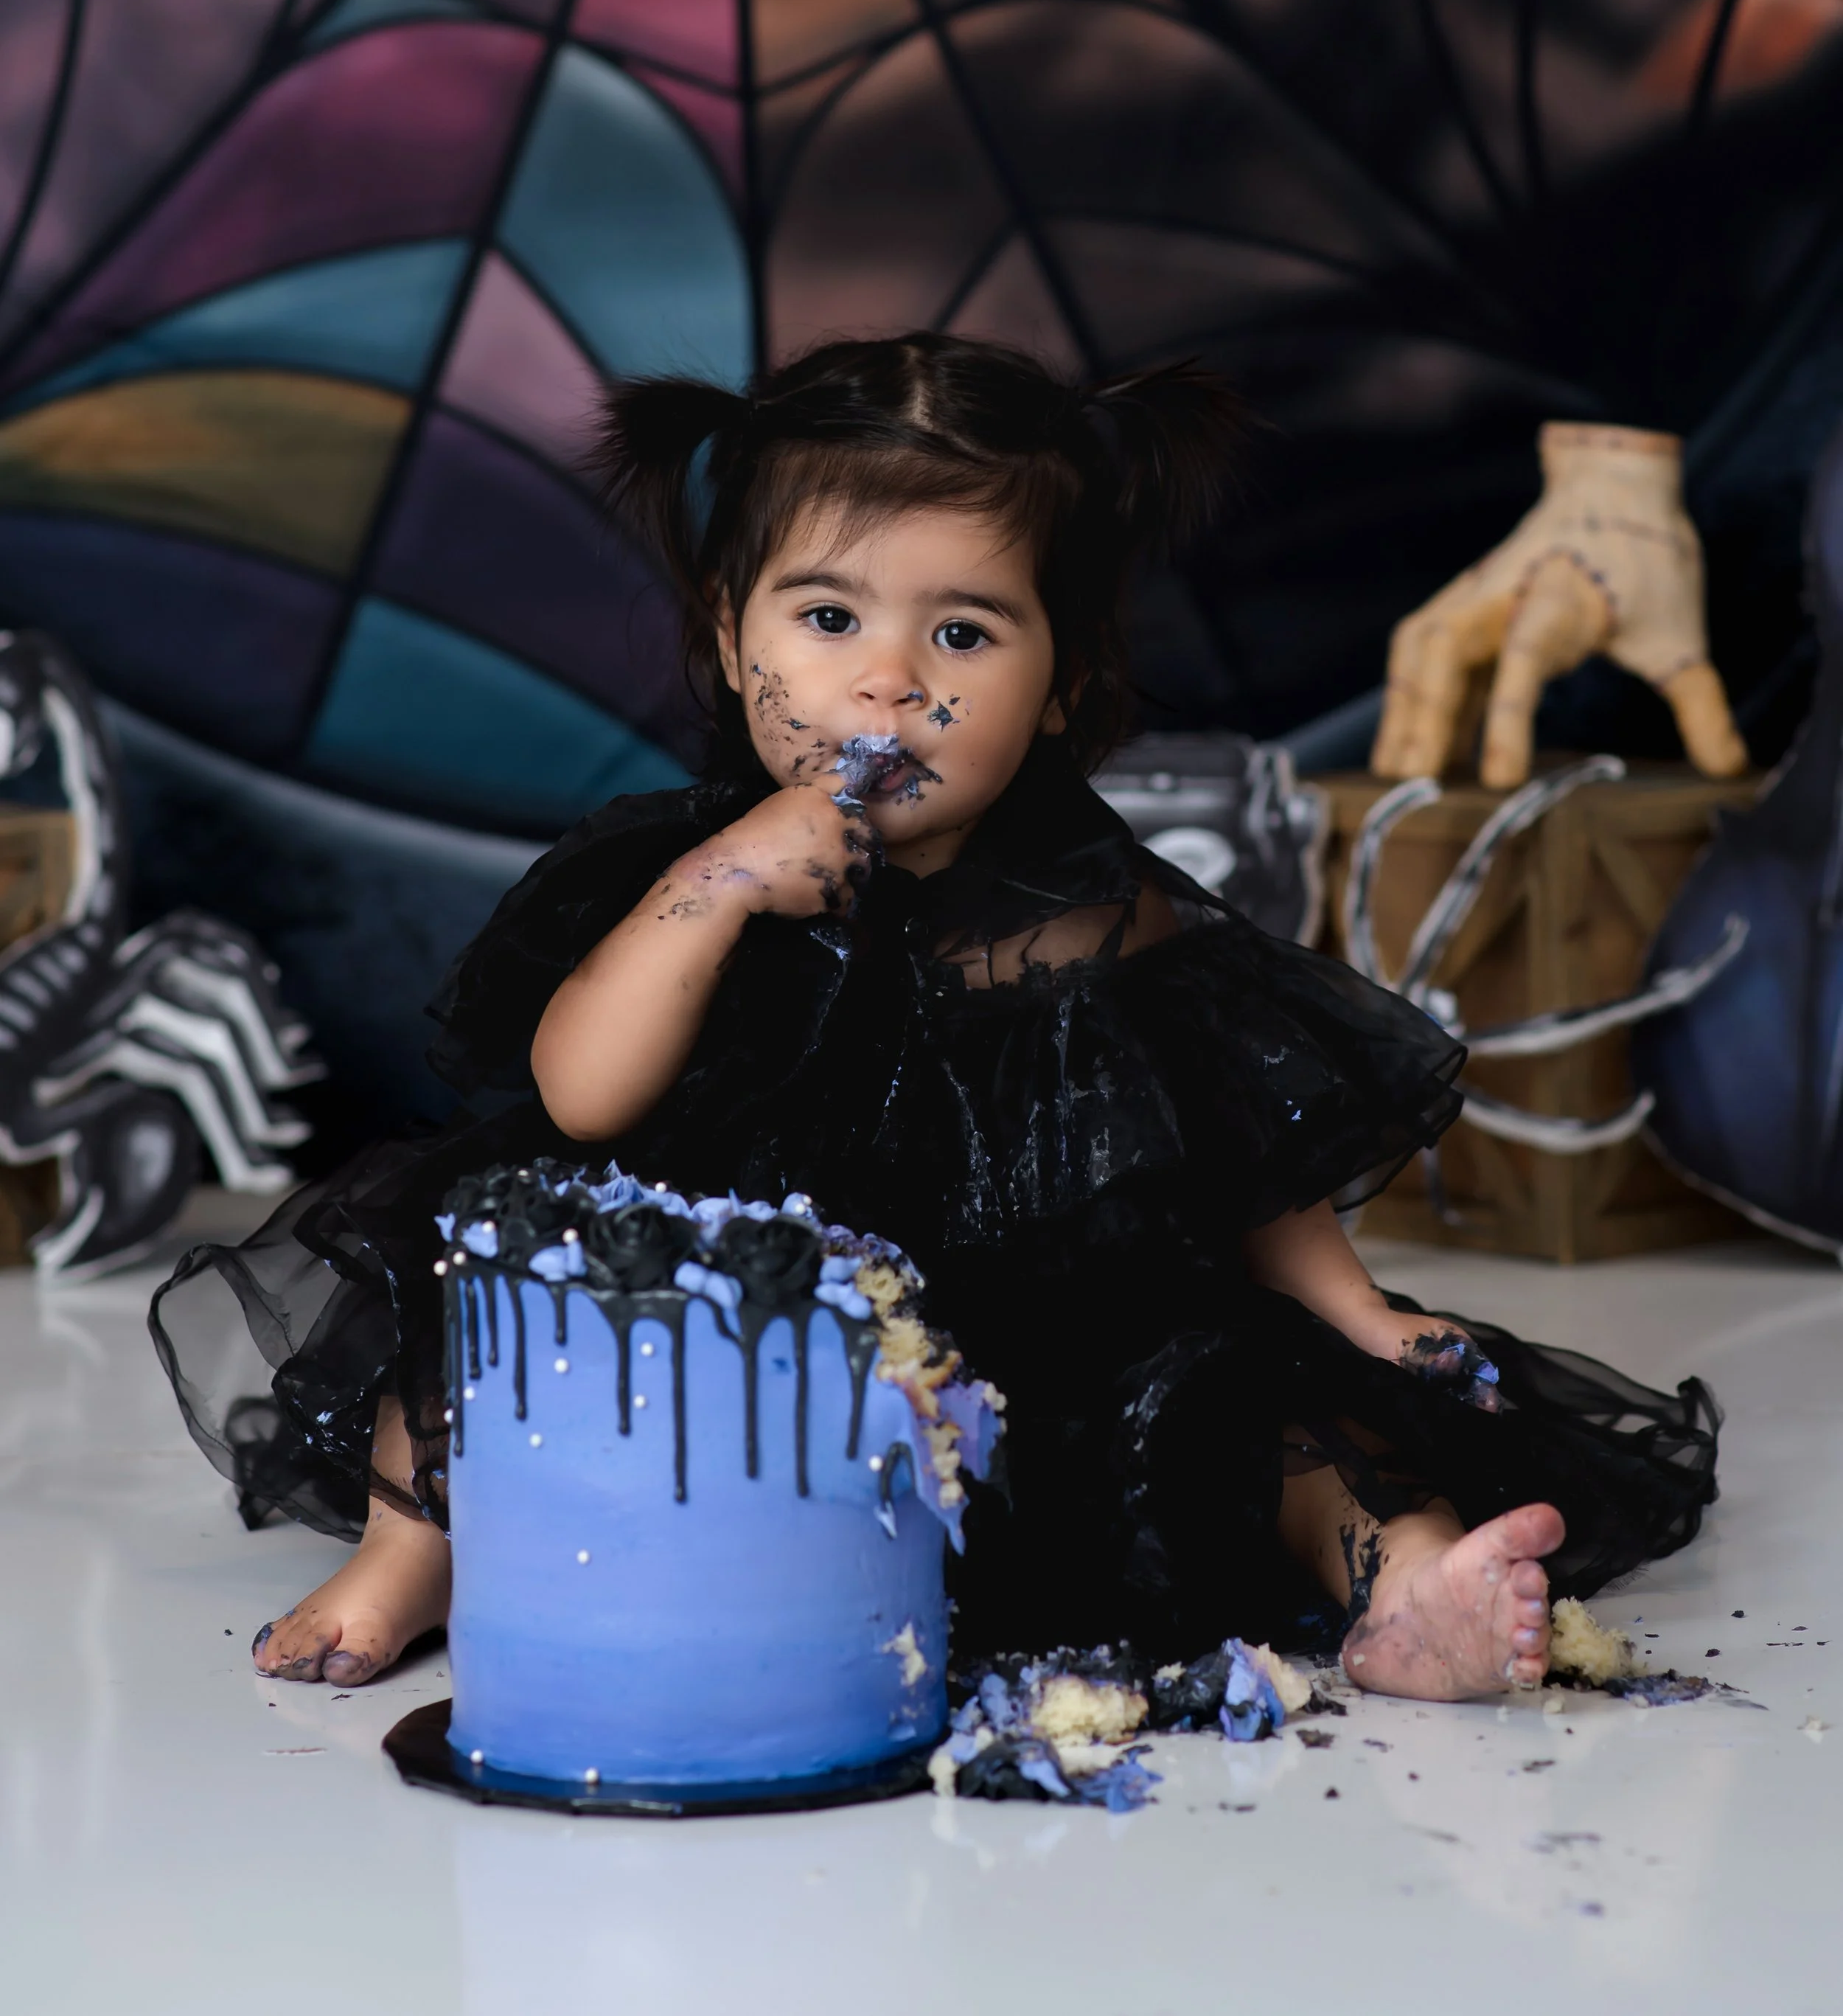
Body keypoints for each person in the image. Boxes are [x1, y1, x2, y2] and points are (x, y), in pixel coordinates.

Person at [153, 336, 1716, 1702]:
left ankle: (1407, 1587)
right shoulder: (676, 871)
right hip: (708, 1322)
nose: (885, 685)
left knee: (1272, 1399)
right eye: (826, 621)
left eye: (961, 636)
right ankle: (409, 1561)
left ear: (1057, 685)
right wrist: (719, 887)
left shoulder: (1089, 906)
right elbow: (581, 1095)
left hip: (1016, 1353)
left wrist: (1360, 1308)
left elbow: (1229, 1140)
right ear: (728, 640)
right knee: (472, 1300)